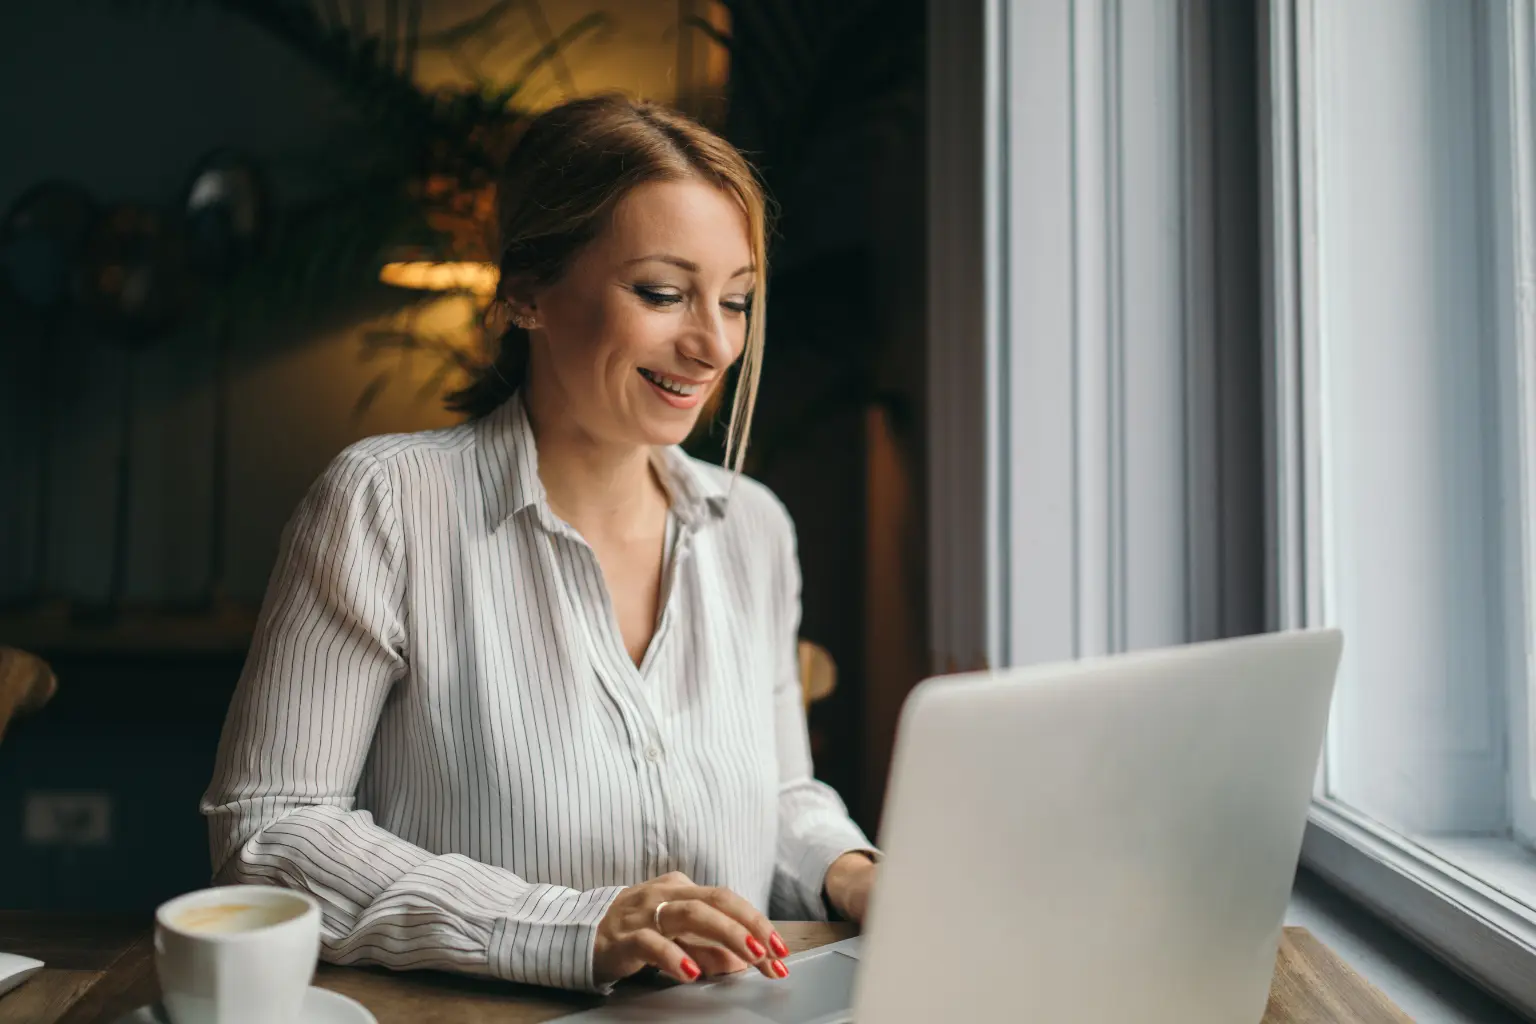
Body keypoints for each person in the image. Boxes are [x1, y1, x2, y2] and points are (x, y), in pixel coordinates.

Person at [201, 94, 879, 995]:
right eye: (662, 293)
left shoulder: (754, 527)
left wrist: (854, 871)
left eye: (737, 300)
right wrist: (568, 924)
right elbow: (270, 832)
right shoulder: (385, 504)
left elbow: (782, 797)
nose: (713, 343)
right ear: (525, 291)